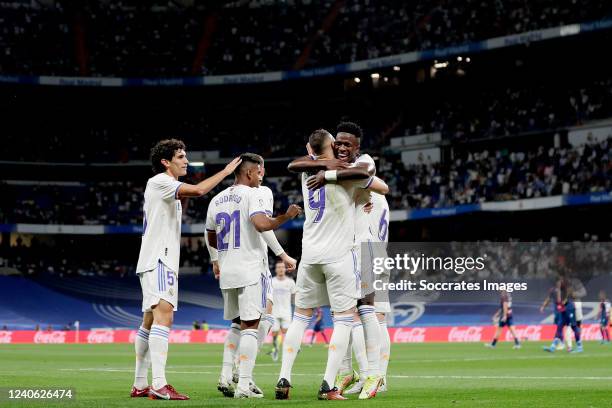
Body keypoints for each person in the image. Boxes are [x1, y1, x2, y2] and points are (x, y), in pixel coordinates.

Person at [276, 129, 387, 400]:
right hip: (339, 257)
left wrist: (325, 168)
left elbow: (297, 163)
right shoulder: (349, 175)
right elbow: (381, 188)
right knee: (346, 319)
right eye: (336, 143)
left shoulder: (306, 174)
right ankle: (330, 384)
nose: (341, 147)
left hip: (309, 256)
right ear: (331, 147)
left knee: (300, 318)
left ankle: (284, 378)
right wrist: (359, 191)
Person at [131, 139, 241, 400]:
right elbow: (200, 190)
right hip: (159, 259)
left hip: (157, 259)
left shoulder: (167, 188)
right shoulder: (159, 181)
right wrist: (226, 173)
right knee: (164, 318)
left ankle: (139, 383)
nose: (186, 161)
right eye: (181, 156)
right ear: (165, 162)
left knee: (149, 320)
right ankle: (159, 383)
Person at [206, 153, 302, 399]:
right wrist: (286, 217)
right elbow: (262, 226)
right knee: (254, 323)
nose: (263, 175)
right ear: (250, 172)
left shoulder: (216, 199)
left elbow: (210, 235)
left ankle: (227, 374)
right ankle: (243, 384)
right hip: (251, 268)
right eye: (260, 171)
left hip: (228, 270)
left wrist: (216, 260)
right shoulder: (255, 194)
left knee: (238, 323)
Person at [543, 277, 583, 353]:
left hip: (569, 309)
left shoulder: (568, 289)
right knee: (559, 327)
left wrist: (565, 301)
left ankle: (579, 347)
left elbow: (569, 296)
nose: (559, 283)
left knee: (573, 327)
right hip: (562, 310)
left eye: (561, 282)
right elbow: (559, 300)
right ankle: (552, 347)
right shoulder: (557, 290)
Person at [271, 260, 297, 361]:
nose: (281, 269)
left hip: (286, 311)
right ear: (276, 269)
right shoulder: (272, 281)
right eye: (279, 267)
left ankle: (286, 351)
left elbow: (294, 296)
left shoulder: (290, 282)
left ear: (285, 269)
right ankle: (275, 349)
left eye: (282, 267)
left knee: (286, 333)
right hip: (274, 311)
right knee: (275, 333)